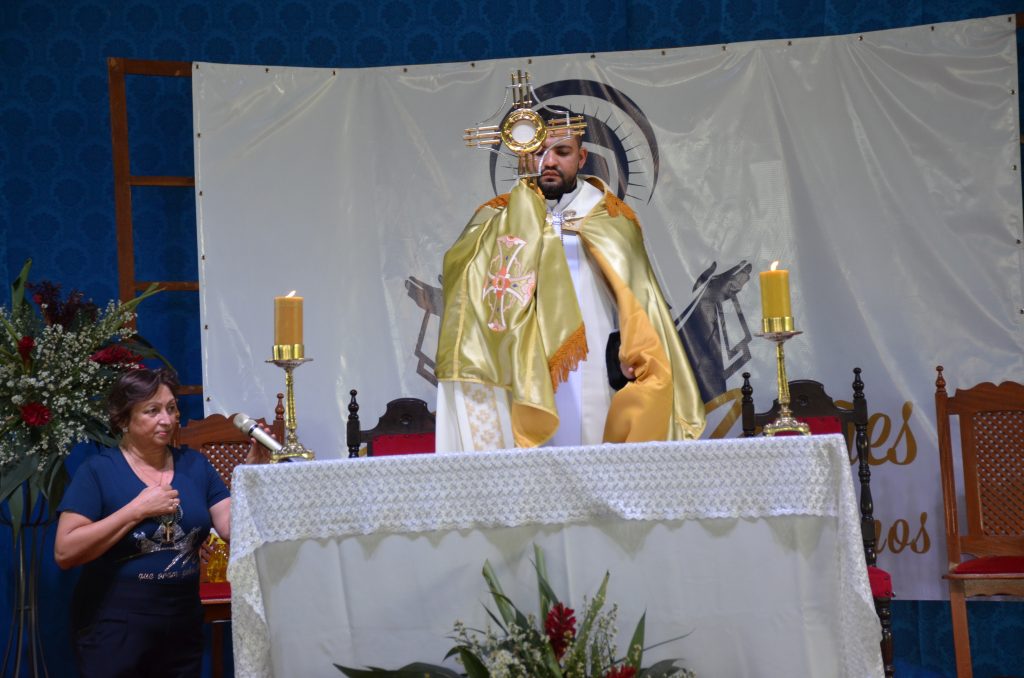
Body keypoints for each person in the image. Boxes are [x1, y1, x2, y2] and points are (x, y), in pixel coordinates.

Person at [435, 125, 706, 451]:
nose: (548, 161)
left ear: (582, 157)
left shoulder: (610, 216)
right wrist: (521, 220)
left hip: (592, 354)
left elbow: (639, 297)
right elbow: (463, 277)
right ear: (523, 156)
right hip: (525, 360)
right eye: (538, 152)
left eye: (561, 152)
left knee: (595, 451)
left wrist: (633, 349)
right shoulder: (498, 217)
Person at [54, 368, 230, 677]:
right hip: (116, 625)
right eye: (152, 410)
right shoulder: (98, 471)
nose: (167, 419)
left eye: (171, 408)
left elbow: (230, 527)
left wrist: (256, 482)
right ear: (123, 420)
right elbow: (65, 552)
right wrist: (136, 510)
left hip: (182, 621)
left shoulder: (196, 465)